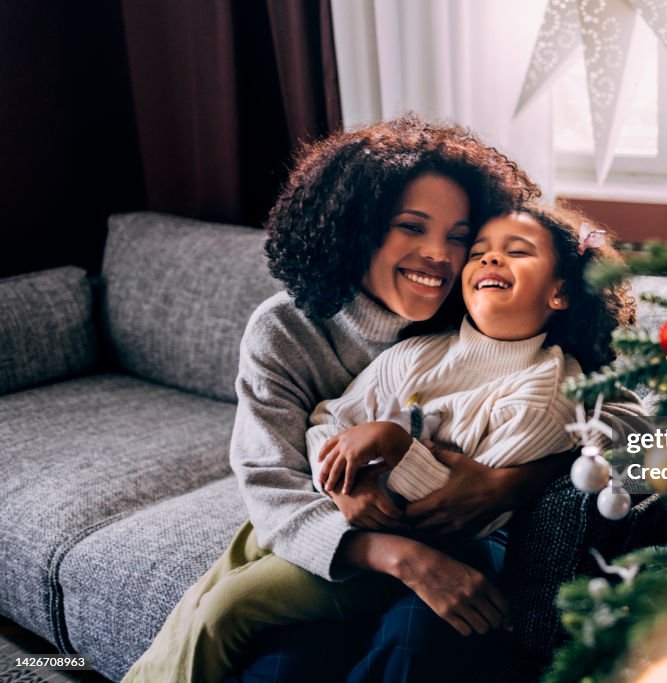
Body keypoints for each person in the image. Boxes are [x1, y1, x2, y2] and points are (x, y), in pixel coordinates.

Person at [123, 115, 570, 683]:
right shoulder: (283, 329)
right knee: (217, 615)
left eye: (459, 236)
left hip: (445, 532)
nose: (440, 254)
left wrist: (510, 482)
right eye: (412, 226)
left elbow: (614, 414)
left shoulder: (483, 310)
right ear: (355, 226)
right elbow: (270, 485)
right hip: (320, 523)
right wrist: (395, 552)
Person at [160, 204, 639, 682]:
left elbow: (464, 505)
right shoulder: (417, 351)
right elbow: (328, 419)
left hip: (447, 548)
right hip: (351, 528)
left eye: (516, 252)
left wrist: (392, 445)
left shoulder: (548, 388)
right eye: (479, 252)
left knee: (248, 610)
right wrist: (344, 477)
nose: (491, 261)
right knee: (262, 650)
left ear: (560, 291)